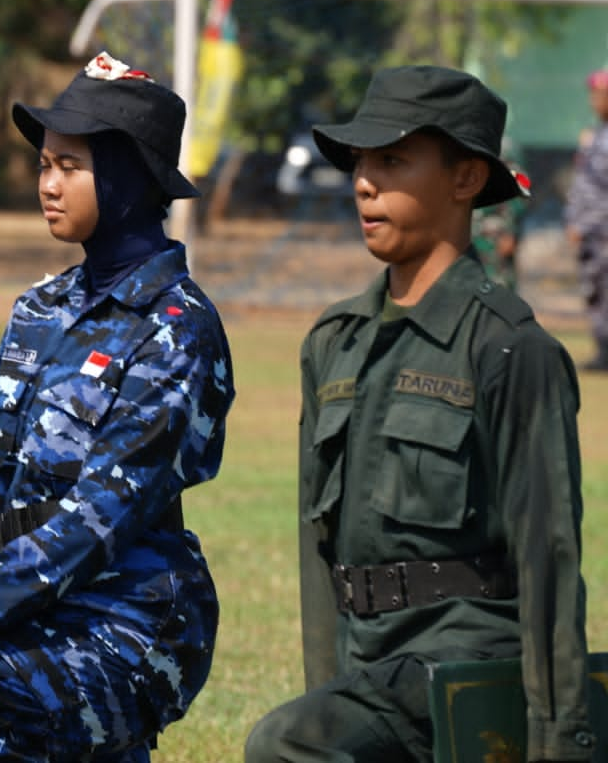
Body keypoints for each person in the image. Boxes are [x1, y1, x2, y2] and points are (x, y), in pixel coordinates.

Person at [0, 51, 234, 762]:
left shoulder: (177, 327)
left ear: (129, 178)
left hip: (132, 625)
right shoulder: (38, 309)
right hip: (36, 611)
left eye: (70, 166)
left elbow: (99, 519)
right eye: (44, 164)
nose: (48, 184)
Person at [245, 65, 594, 763]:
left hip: (467, 663)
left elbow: (548, 560)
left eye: (394, 160)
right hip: (372, 674)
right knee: (306, 733)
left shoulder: (508, 348)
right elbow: (322, 559)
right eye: (361, 163)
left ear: (466, 180)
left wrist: (560, 742)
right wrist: (329, 693)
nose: (365, 182)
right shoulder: (333, 344)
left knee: (281, 746)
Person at [565, 68, 608, 370]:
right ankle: (604, 351)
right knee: (595, 291)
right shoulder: (595, 136)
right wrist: (575, 221)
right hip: (591, 231)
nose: (594, 101)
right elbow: (583, 184)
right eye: (593, 95)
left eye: (601, 95)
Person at [472, 135, 529, 293]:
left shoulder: (504, 147)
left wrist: (510, 230)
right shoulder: (465, 142)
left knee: (500, 290)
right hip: (470, 235)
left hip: (496, 236)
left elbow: (522, 186)